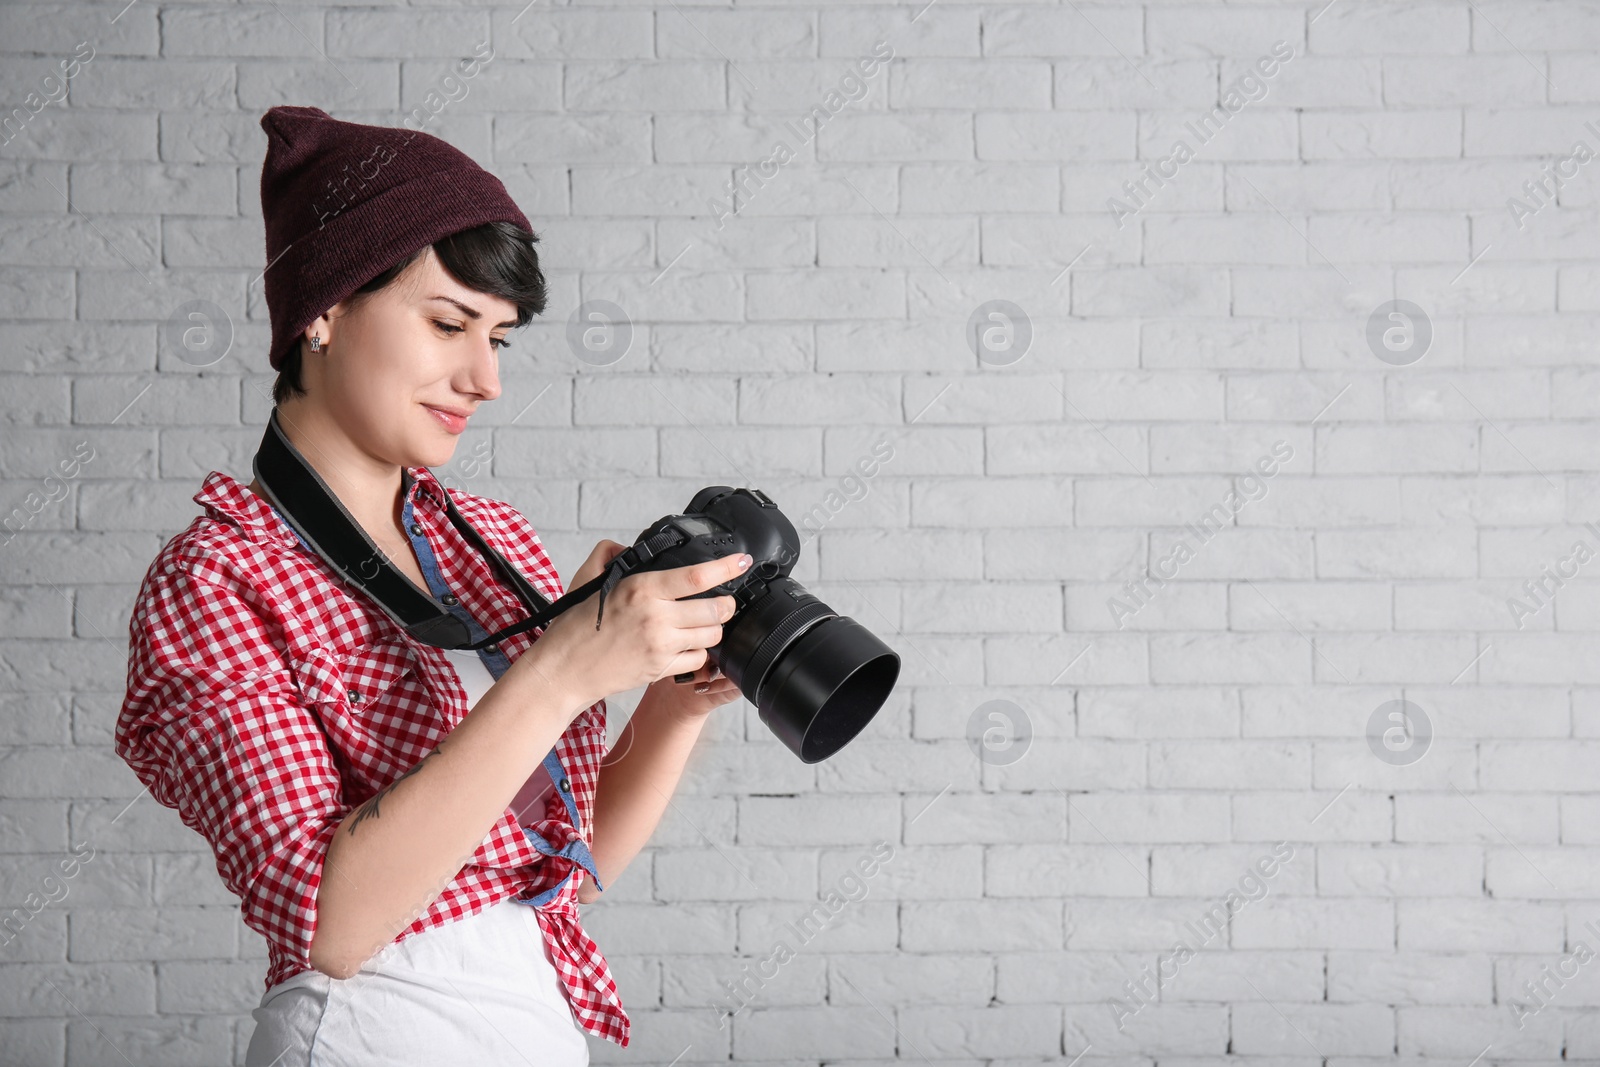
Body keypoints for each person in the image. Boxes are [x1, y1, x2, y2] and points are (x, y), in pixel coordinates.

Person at [114, 105, 752, 1066]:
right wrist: (561, 672)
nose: (483, 378)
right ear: (322, 309)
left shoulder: (488, 542)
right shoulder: (216, 578)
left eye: (500, 339)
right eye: (451, 323)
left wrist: (672, 705)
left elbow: (552, 875)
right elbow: (330, 922)